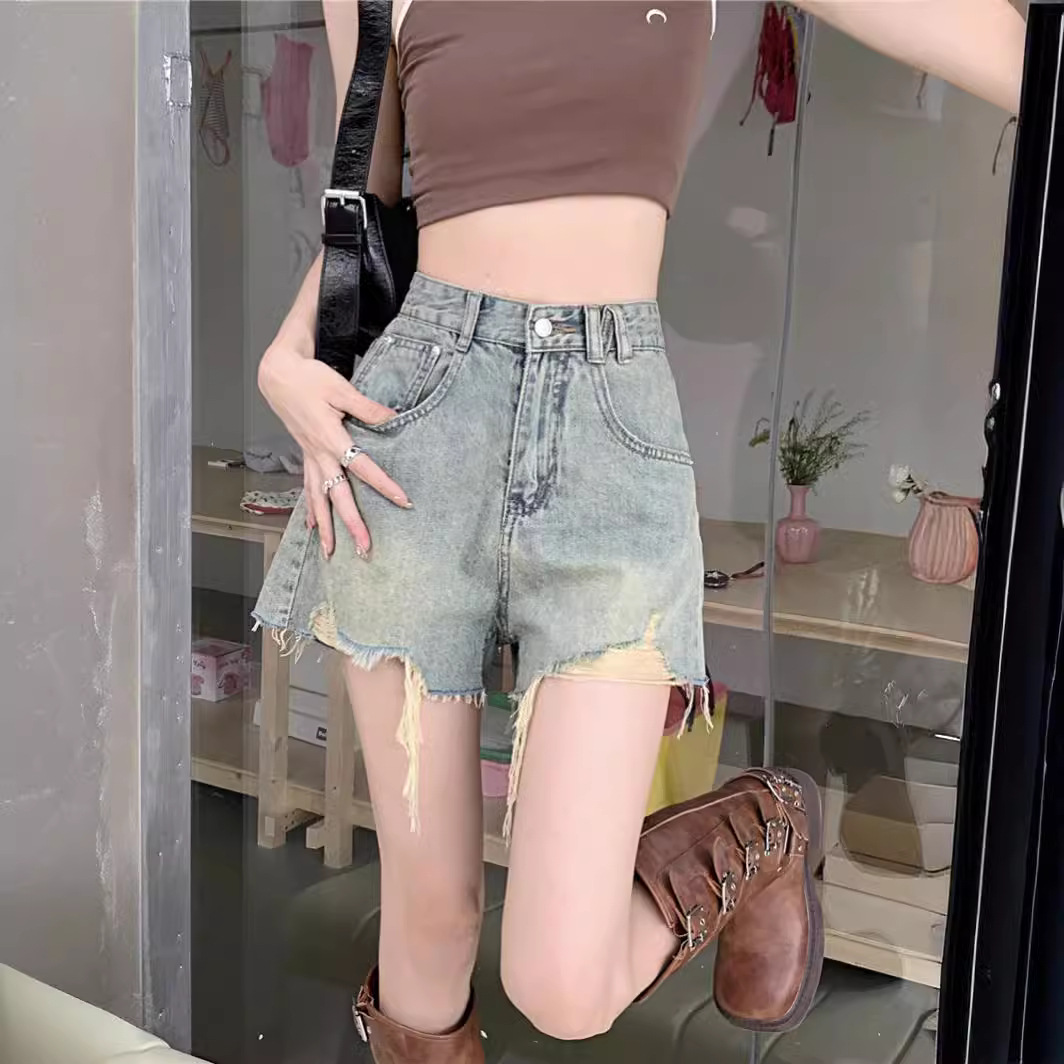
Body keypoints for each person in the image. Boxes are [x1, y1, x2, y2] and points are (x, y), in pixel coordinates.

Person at [254, 1, 1025, 1059]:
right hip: (411, 433)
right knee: (426, 927)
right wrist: (288, 354)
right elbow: (370, 204)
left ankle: (758, 824)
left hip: (610, 437)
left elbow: (1020, 56)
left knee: (563, 985)